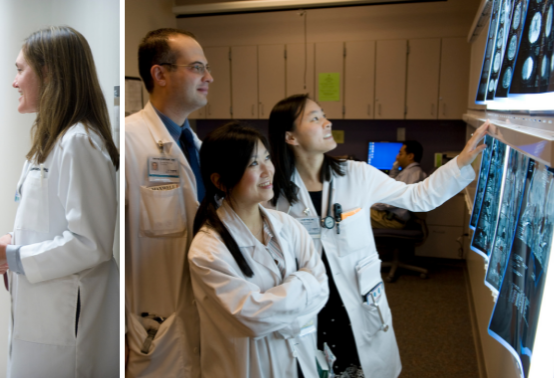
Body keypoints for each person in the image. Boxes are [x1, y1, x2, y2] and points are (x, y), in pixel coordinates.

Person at [266, 93, 491, 378]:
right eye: (315, 118)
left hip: (356, 306)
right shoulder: (273, 194)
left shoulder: (356, 175)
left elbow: (418, 197)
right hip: (308, 309)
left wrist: (461, 162)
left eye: (323, 114)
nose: (327, 122)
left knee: (358, 368)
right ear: (290, 137)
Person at [0, 26, 119, 377]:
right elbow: (53, 226)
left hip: (67, 326)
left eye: (20, 70)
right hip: (44, 316)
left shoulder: (80, 143)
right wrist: (8, 246)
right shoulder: (52, 143)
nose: (14, 82)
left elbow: (91, 244)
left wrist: (14, 256)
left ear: (48, 73)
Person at [187, 122, 329, 378]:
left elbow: (323, 287)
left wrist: (277, 309)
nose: (268, 170)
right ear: (220, 181)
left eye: (267, 158)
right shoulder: (208, 250)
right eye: (253, 163)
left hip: (301, 358)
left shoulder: (288, 225)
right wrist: (303, 283)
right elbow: (253, 318)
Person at [124, 28, 213, 377]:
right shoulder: (129, 142)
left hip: (203, 315)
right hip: (150, 325)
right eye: (196, 67)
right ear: (159, 74)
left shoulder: (199, 148)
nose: (209, 77)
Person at [370, 140, 428, 229]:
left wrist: (372, 204)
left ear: (410, 156)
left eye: (400, 154)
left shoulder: (410, 174)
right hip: (392, 217)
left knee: (354, 212)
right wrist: (396, 166)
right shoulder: (415, 172)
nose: (397, 157)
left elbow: (393, 201)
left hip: (392, 220)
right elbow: (391, 185)